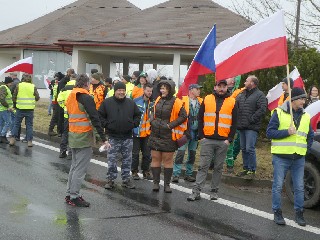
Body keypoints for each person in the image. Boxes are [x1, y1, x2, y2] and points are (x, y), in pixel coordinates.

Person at [266, 87, 314, 226]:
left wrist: (306, 150)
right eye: (302, 99)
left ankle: (299, 214)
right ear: (293, 99)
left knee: (299, 187)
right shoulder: (279, 112)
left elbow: (309, 136)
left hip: (298, 158)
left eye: (304, 99)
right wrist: (287, 132)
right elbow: (270, 133)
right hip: (281, 157)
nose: (304, 102)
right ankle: (277, 212)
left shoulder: (306, 116)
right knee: (278, 186)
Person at [187, 80, 238, 201]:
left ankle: (214, 191)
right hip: (207, 139)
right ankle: (196, 191)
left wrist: (229, 139)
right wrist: (201, 136)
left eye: (223, 86)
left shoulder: (232, 101)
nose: (221, 88)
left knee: (218, 167)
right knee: (203, 166)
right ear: (215, 87)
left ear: (227, 88)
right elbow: (200, 118)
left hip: (223, 141)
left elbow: (235, 122)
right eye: (219, 86)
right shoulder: (207, 99)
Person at [65, 74, 108, 207]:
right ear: (87, 84)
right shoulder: (86, 97)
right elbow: (94, 119)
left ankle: (69, 194)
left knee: (74, 167)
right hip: (83, 137)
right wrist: (103, 139)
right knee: (80, 169)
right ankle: (74, 196)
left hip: (73, 135)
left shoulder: (71, 96)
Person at [99, 82, 141, 190]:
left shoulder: (131, 103)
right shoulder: (107, 103)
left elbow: (137, 115)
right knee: (112, 160)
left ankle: (126, 180)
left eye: (123, 90)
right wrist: (107, 124)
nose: (121, 92)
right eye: (119, 90)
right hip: (113, 137)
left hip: (127, 137)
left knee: (127, 160)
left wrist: (133, 124)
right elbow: (100, 116)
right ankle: (111, 180)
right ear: (115, 91)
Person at [148, 79, 187, 193]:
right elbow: (152, 111)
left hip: (168, 135)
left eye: (164, 88)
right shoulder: (158, 99)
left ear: (170, 90)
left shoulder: (177, 102)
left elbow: (183, 116)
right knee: (155, 158)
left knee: (168, 160)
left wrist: (170, 125)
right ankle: (155, 183)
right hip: (155, 134)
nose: (162, 90)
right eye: (161, 88)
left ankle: (167, 185)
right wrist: (152, 121)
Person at [236, 75, 267, 179]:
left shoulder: (259, 95)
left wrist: (252, 119)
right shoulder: (241, 94)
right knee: (244, 148)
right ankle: (246, 168)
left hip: (251, 127)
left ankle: (252, 170)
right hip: (241, 126)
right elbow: (236, 106)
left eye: (247, 81)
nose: (245, 82)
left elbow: (262, 109)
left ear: (252, 83)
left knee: (250, 148)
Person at [172, 84, 203, 183]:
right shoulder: (182, 101)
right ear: (191, 90)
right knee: (180, 153)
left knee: (192, 154)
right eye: (197, 89)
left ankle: (188, 174)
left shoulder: (201, 102)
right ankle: (176, 174)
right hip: (185, 132)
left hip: (195, 132)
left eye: (199, 89)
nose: (199, 91)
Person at [9, 74, 40, 147]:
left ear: (22, 78)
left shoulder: (19, 85)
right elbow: (37, 97)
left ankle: (12, 139)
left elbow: (14, 96)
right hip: (30, 109)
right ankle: (29, 141)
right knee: (29, 125)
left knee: (16, 124)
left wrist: (16, 103)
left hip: (20, 108)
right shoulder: (33, 86)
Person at [131, 83, 153, 180]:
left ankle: (146, 171)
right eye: (148, 90)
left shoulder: (152, 104)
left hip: (147, 133)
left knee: (147, 154)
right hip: (136, 132)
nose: (149, 93)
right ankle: (134, 171)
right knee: (135, 153)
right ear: (144, 90)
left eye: (151, 91)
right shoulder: (135, 101)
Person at [57, 73, 77, 159]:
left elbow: (59, 100)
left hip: (67, 114)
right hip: (76, 115)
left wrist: (64, 106)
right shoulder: (78, 88)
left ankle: (62, 151)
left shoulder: (64, 88)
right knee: (74, 134)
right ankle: (71, 154)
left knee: (65, 133)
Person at [0, 77, 14, 143]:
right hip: (4, 109)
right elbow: (2, 99)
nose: (11, 84)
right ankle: (2, 136)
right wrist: (8, 106)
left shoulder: (4, 87)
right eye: (11, 83)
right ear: (8, 82)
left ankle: (1, 136)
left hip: (2, 109)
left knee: (2, 123)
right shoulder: (4, 88)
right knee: (9, 122)